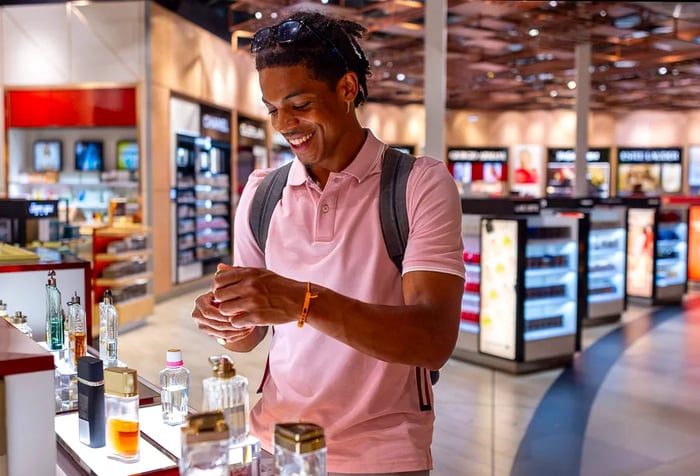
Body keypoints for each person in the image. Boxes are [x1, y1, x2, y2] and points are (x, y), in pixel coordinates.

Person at [191, 10, 464, 476]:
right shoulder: (261, 193)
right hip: (272, 443)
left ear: (346, 88)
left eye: (298, 104)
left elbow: (433, 339)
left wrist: (301, 301)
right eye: (273, 108)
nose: (284, 123)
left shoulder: (419, 184)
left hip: (380, 457)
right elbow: (251, 335)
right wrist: (231, 321)